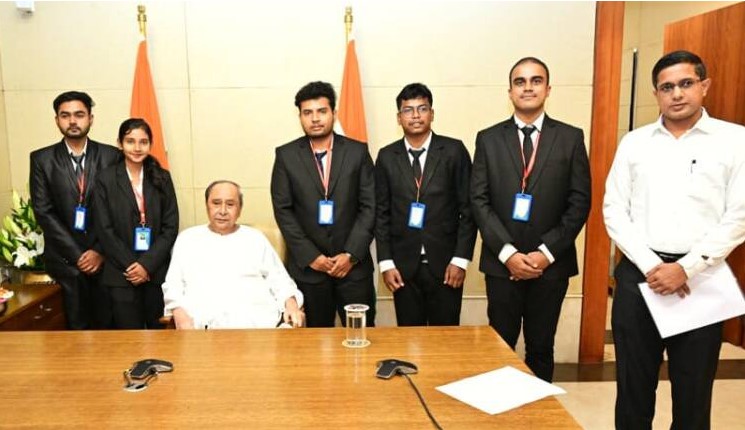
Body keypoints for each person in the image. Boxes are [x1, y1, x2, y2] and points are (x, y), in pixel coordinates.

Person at [604, 50, 745, 430]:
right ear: (657, 94)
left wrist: (686, 268)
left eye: (686, 84)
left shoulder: (735, 141)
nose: (677, 94)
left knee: (693, 395)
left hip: (701, 280)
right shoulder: (635, 143)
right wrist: (654, 267)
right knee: (632, 391)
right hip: (639, 277)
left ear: (704, 85)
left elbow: (739, 215)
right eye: (667, 87)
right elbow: (614, 210)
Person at [470, 57, 591, 382]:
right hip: (501, 266)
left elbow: (579, 202)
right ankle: (501, 409)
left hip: (551, 266)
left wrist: (545, 253)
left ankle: (537, 410)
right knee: (500, 348)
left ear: (548, 89)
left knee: (541, 348)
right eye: (520, 82)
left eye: (536, 81)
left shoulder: (570, 138)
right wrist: (508, 254)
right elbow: (479, 201)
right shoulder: (488, 139)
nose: (528, 88)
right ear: (510, 91)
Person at [270, 81, 376, 327]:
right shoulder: (286, 156)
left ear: (334, 113)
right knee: (315, 341)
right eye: (308, 113)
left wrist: (350, 255)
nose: (315, 118)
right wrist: (312, 256)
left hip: (353, 270)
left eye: (322, 111)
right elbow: (283, 211)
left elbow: (370, 206)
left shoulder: (357, 152)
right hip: (309, 272)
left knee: (361, 336)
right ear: (300, 116)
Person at [375, 83, 476, 326]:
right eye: (408, 110)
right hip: (402, 267)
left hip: (447, 265)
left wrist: (460, 260)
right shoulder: (387, 156)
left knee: (445, 339)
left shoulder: (453, 151)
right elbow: (381, 213)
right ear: (399, 118)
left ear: (432, 113)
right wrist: (386, 263)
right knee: (410, 339)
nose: (416, 116)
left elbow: (469, 209)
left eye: (422, 108)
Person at [30, 91, 120, 329]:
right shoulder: (41, 159)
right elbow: (43, 211)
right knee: (72, 332)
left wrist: (98, 251)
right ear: (56, 120)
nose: (72, 121)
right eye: (65, 115)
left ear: (91, 118)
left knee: (109, 331)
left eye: (79, 114)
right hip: (65, 263)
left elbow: (118, 208)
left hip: (106, 261)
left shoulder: (112, 156)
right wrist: (78, 255)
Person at [162, 180, 305, 329]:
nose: (222, 211)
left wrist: (291, 304)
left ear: (240, 209)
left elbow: (280, 279)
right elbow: (173, 285)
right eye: (216, 203)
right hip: (201, 329)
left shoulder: (255, 238)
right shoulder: (187, 239)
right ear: (207, 206)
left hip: (257, 327)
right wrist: (179, 313)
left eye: (230, 204)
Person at [93, 118, 178, 329]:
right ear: (120, 143)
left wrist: (146, 265)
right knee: (129, 338)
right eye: (130, 141)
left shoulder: (162, 177)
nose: (137, 148)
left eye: (143, 142)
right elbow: (104, 229)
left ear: (151, 144)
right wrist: (133, 266)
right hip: (121, 274)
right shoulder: (105, 179)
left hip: (155, 273)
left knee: (160, 336)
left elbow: (170, 227)